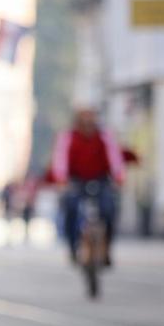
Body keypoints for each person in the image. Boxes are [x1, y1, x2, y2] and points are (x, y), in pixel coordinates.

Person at [51, 107, 125, 264]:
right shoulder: (68, 136)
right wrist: (61, 179)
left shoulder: (104, 135)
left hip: (101, 179)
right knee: (71, 208)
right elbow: (60, 158)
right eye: (84, 118)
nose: (88, 122)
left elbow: (115, 158)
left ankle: (106, 247)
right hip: (76, 179)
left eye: (91, 118)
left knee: (109, 209)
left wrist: (118, 177)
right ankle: (73, 247)